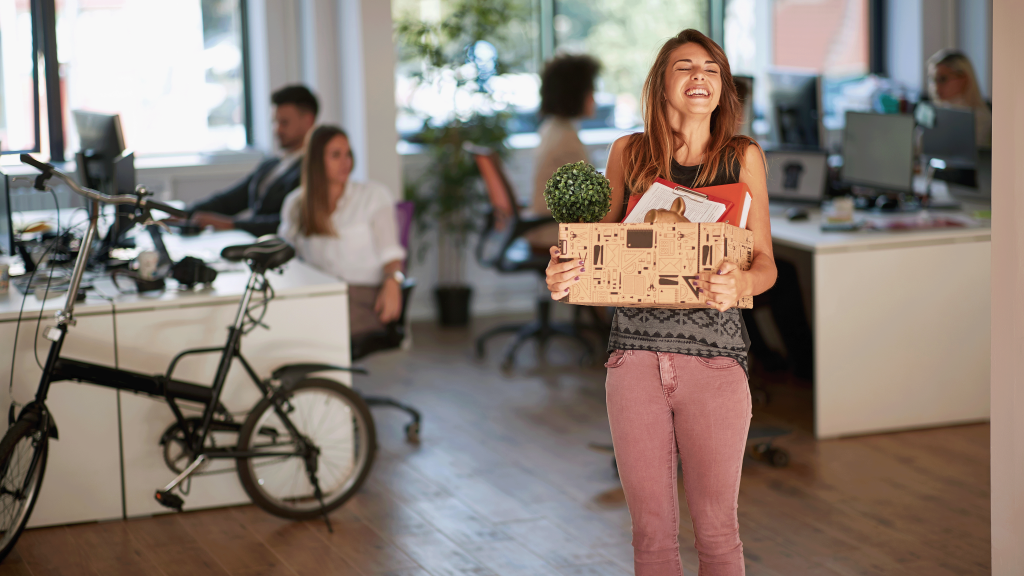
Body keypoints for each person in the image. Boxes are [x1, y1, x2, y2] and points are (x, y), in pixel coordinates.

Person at [546, 29, 776, 575]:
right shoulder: (629, 153)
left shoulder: (744, 157)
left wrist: (741, 286)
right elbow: (596, 251)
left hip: (716, 362)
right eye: (684, 66)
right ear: (660, 83)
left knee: (718, 534)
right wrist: (562, 272)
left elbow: (763, 261)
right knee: (650, 538)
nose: (699, 76)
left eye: (711, 69)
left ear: (723, 87)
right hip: (634, 359)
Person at [278, 125, 406, 337]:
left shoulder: (373, 195)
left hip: (363, 298)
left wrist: (393, 281)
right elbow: (286, 253)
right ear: (317, 161)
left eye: (348, 154)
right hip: (316, 294)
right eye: (336, 155)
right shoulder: (296, 204)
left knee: (309, 330)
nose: (346, 162)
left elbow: (391, 253)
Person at [187, 85, 319, 236]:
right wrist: (186, 212)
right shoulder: (272, 164)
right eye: (275, 122)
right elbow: (231, 199)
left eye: (284, 123)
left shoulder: (313, 169)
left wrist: (231, 224)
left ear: (308, 121)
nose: (277, 130)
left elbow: (289, 221)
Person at [525, 54, 601, 250]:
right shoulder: (566, 139)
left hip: (544, 225)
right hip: (553, 232)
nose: (594, 97)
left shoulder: (552, 128)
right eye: (591, 89)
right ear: (576, 93)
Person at [927, 49, 992, 148]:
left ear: (963, 78)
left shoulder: (979, 118)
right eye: (933, 80)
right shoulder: (932, 112)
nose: (936, 87)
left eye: (943, 79)